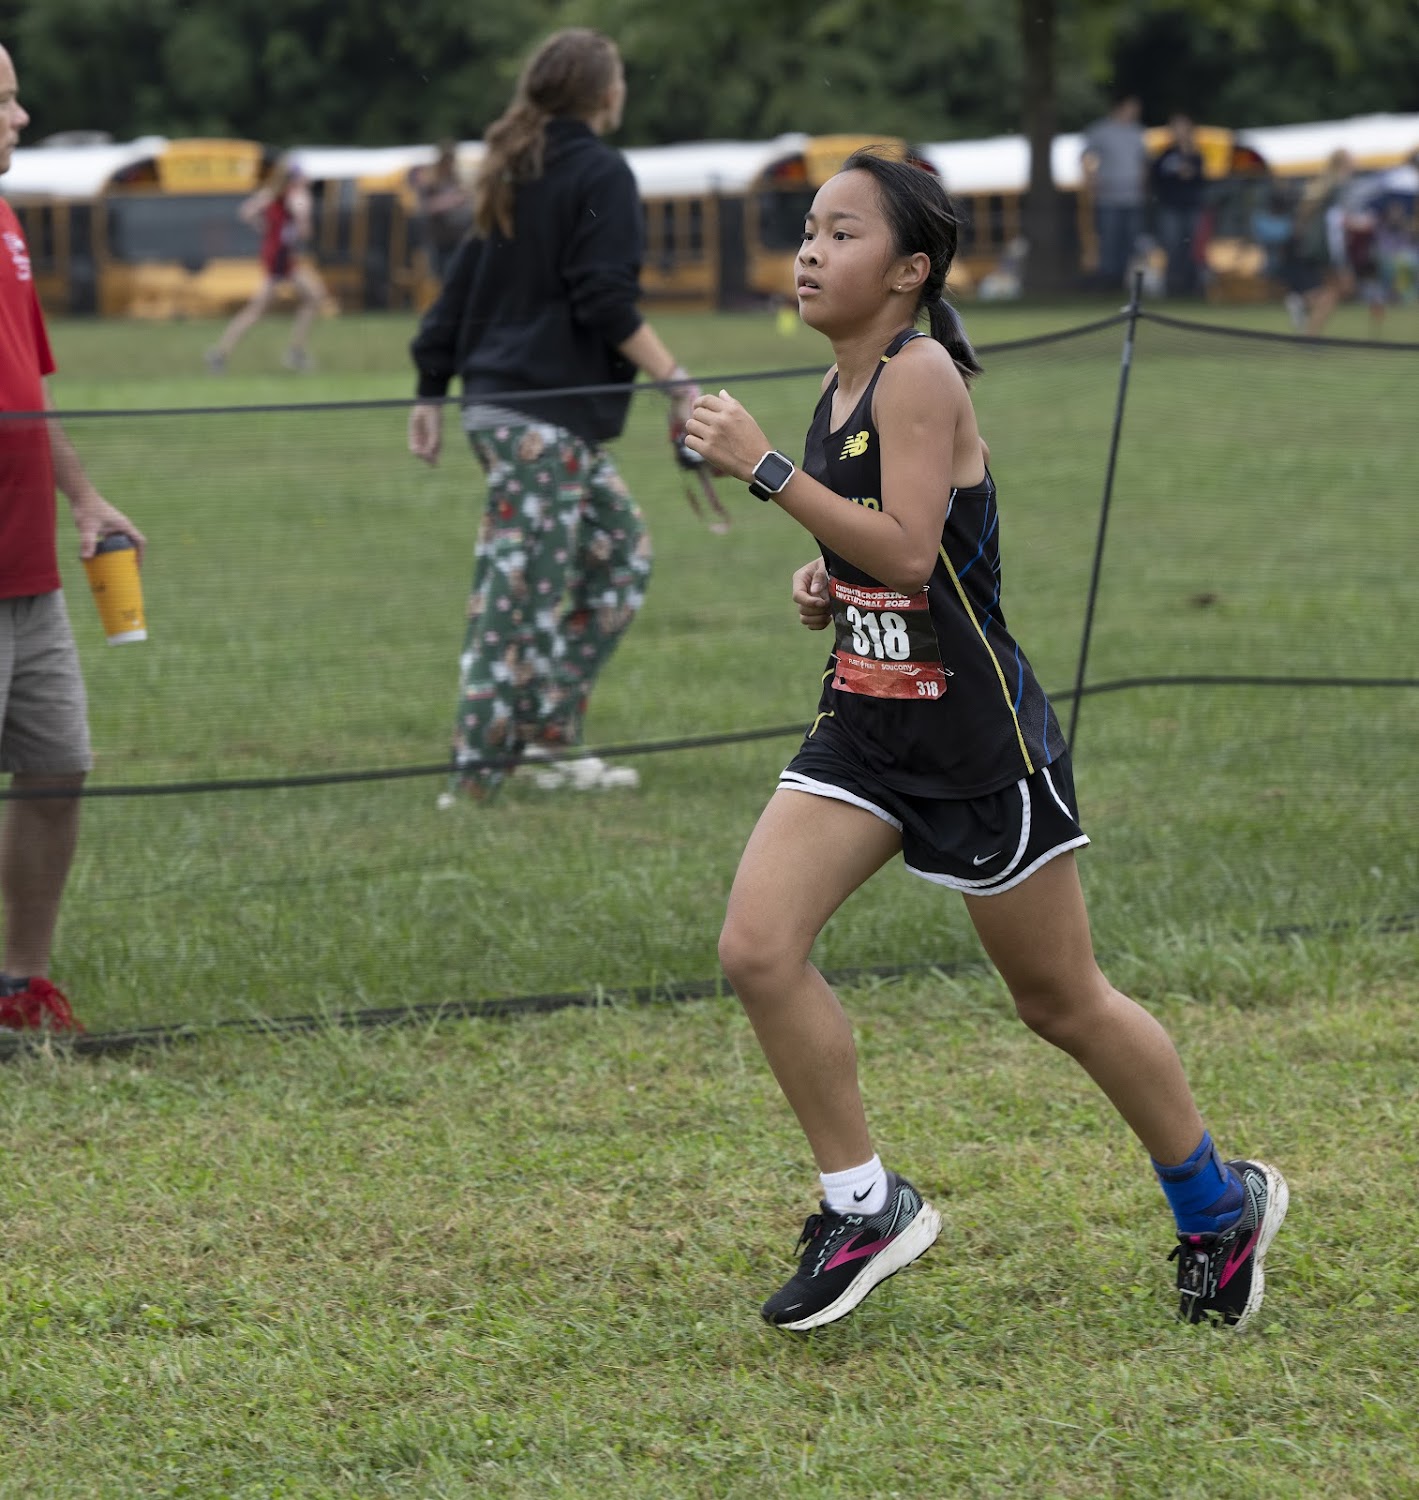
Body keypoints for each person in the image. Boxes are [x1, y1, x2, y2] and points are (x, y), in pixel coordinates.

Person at [682, 148, 1287, 1333]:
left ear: (910, 270)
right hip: (864, 727)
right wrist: (828, 578)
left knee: (1061, 1003)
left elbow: (913, 551)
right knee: (757, 948)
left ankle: (1219, 1206)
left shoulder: (917, 376)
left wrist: (763, 467)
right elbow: (883, 550)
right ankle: (864, 1205)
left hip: (974, 745)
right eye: (808, 230)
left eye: (842, 233)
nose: (811, 251)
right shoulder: (842, 384)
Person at [408, 29, 700, 800]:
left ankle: (544, 735)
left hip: (524, 415)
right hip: (536, 418)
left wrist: (433, 390)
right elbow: (603, 296)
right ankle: (474, 778)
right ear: (605, 94)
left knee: (620, 556)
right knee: (518, 598)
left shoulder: (518, 167)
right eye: (620, 80)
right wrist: (677, 382)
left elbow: (459, 289)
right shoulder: (595, 171)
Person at [0, 43, 146, 1032]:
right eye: (4, 101)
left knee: (57, 766)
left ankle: (20, 984)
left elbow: (30, 381)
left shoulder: (7, 221)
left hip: (31, 564)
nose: (21, 117)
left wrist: (85, 501)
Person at [206, 155, 327, 373]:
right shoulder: (296, 196)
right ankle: (220, 353)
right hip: (280, 258)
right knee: (257, 310)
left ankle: (295, 350)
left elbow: (246, 211)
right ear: (296, 177)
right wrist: (299, 220)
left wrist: (267, 229)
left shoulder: (272, 193)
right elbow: (304, 231)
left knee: (314, 296)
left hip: (280, 256)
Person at [1081, 94, 1148, 291]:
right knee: (1109, 240)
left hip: (1133, 197)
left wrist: (1143, 186)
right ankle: (1108, 280)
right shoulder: (1100, 131)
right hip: (1108, 197)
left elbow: (1143, 161)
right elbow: (1086, 156)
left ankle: (1123, 279)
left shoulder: (1138, 132)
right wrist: (1091, 181)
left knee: (1130, 241)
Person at [1148, 114, 1206, 297]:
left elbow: (1201, 180)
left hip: (1191, 206)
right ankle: (1173, 285)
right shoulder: (1165, 156)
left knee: (1191, 247)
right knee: (1172, 246)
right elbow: (1155, 179)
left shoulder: (1197, 155)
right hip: (1170, 206)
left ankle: (1191, 285)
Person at [412, 139, 474, 284]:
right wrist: (451, 201)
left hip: (457, 236)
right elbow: (425, 207)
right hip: (439, 239)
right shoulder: (431, 181)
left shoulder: (454, 178)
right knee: (443, 278)